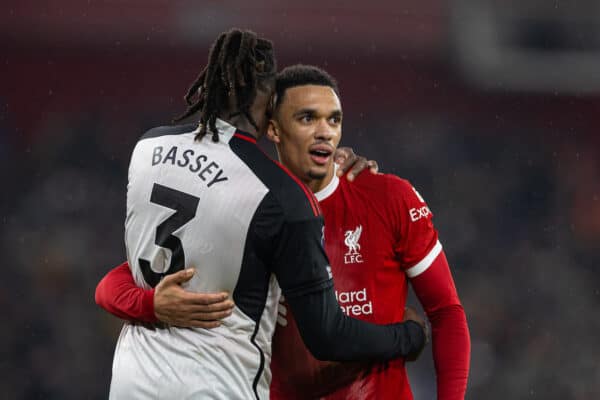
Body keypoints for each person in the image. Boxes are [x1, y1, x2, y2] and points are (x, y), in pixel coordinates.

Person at [105, 29, 427, 400]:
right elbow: (327, 336)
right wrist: (408, 335)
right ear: (271, 102)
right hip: (215, 386)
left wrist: (147, 303)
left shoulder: (148, 147)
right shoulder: (280, 198)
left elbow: (127, 272)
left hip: (133, 383)